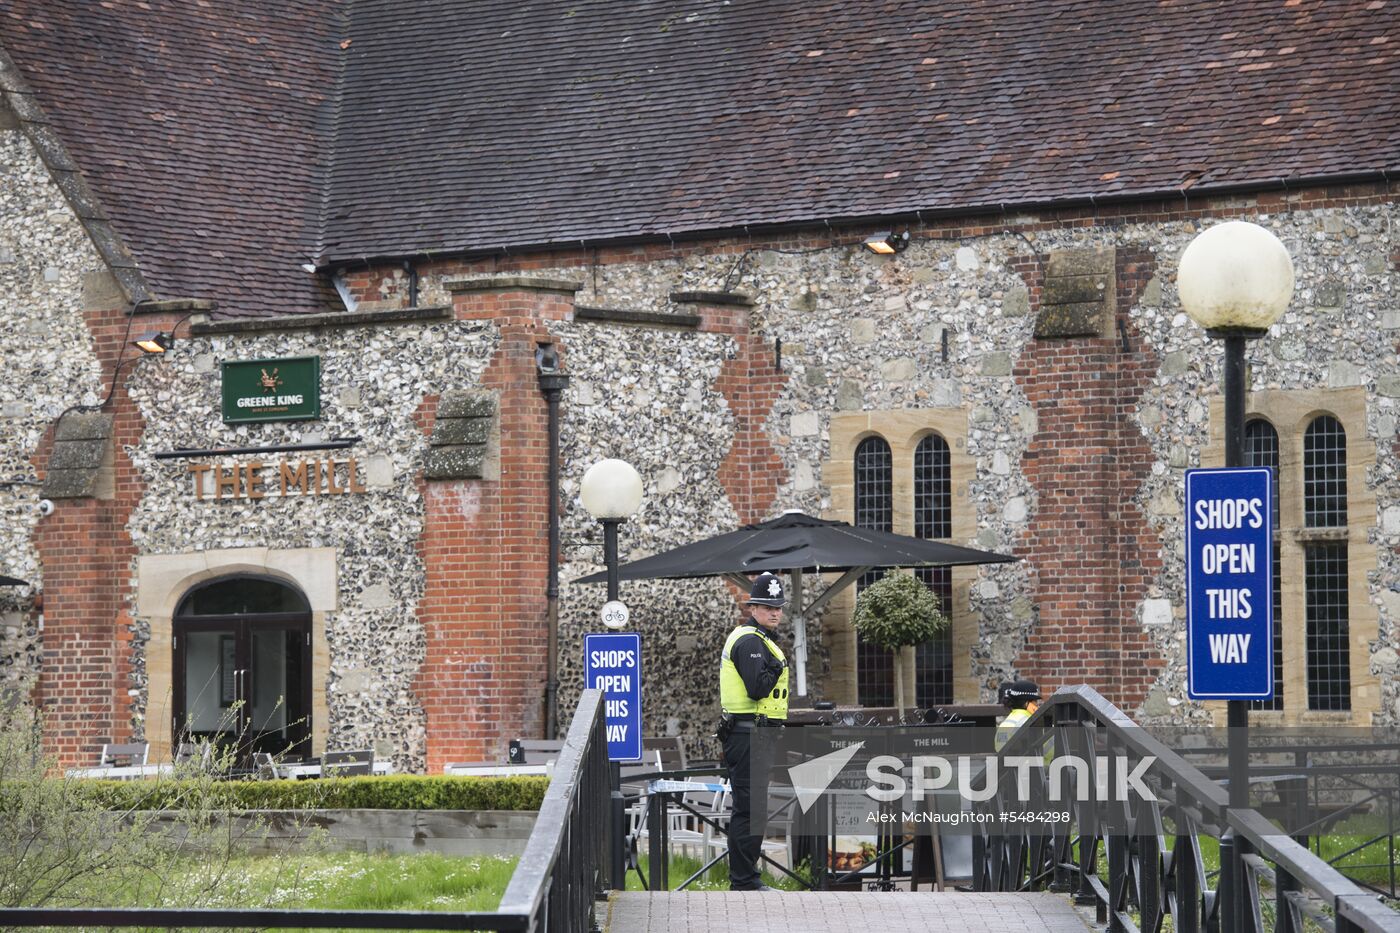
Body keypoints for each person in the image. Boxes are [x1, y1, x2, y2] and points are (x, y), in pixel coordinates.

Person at [718, 571, 790, 892]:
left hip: (756, 734)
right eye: (767, 606)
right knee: (749, 808)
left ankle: (747, 879)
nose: (775, 612)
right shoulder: (749, 641)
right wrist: (776, 665)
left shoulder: (760, 641)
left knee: (752, 806)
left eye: (778, 607)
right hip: (747, 734)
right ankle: (744, 882)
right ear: (753, 609)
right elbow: (758, 688)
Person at [994, 679, 1041, 752]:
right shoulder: (1032, 722)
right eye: (1035, 701)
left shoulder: (1005, 723)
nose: (1037, 704)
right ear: (1027, 703)